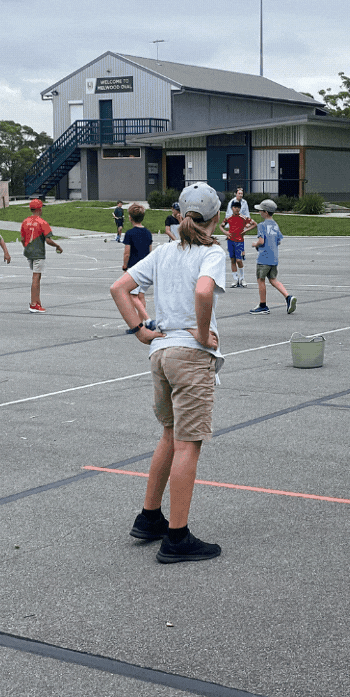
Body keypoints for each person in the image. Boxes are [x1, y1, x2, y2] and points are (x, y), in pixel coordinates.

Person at [109, 182, 226, 564]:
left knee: (170, 434)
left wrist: (140, 331)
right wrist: (203, 333)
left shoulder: (164, 252)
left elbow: (119, 287)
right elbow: (205, 292)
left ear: (179, 214)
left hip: (160, 353)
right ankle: (177, 537)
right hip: (189, 355)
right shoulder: (211, 253)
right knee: (188, 443)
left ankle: (150, 516)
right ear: (216, 217)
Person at [249, 200, 295, 315]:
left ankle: (263, 305)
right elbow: (278, 241)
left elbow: (261, 240)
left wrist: (255, 244)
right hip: (274, 258)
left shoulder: (262, 225)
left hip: (263, 258)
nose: (259, 212)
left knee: (260, 280)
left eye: (260, 210)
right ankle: (288, 297)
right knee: (273, 279)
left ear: (265, 212)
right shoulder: (275, 225)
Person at [18, 198, 64, 312]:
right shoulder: (42, 222)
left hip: (29, 252)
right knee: (36, 277)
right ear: (39, 209)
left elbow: (22, 239)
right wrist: (57, 246)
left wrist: (27, 247)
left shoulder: (25, 221)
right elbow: (48, 240)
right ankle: (33, 303)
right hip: (38, 253)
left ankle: (37, 301)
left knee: (36, 277)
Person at [121, 204, 154, 319]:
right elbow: (150, 252)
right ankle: (141, 323)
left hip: (135, 269)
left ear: (130, 217)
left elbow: (127, 253)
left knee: (132, 295)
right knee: (140, 295)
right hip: (146, 268)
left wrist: (125, 266)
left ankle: (146, 320)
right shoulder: (148, 233)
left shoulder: (130, 233)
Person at [224, 203, 250, 287]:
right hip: (230, 240)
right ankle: (235, 279)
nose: (237, 209)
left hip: (239, 241)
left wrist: (246, 230)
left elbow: (254, 224)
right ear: (232, 208)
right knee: (232, 260)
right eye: (235, 207)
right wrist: (226, 232)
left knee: (239, 260)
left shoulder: (243, 217)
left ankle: (242, 278)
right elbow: (221, 225)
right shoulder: (229, 218)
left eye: (238, 207)